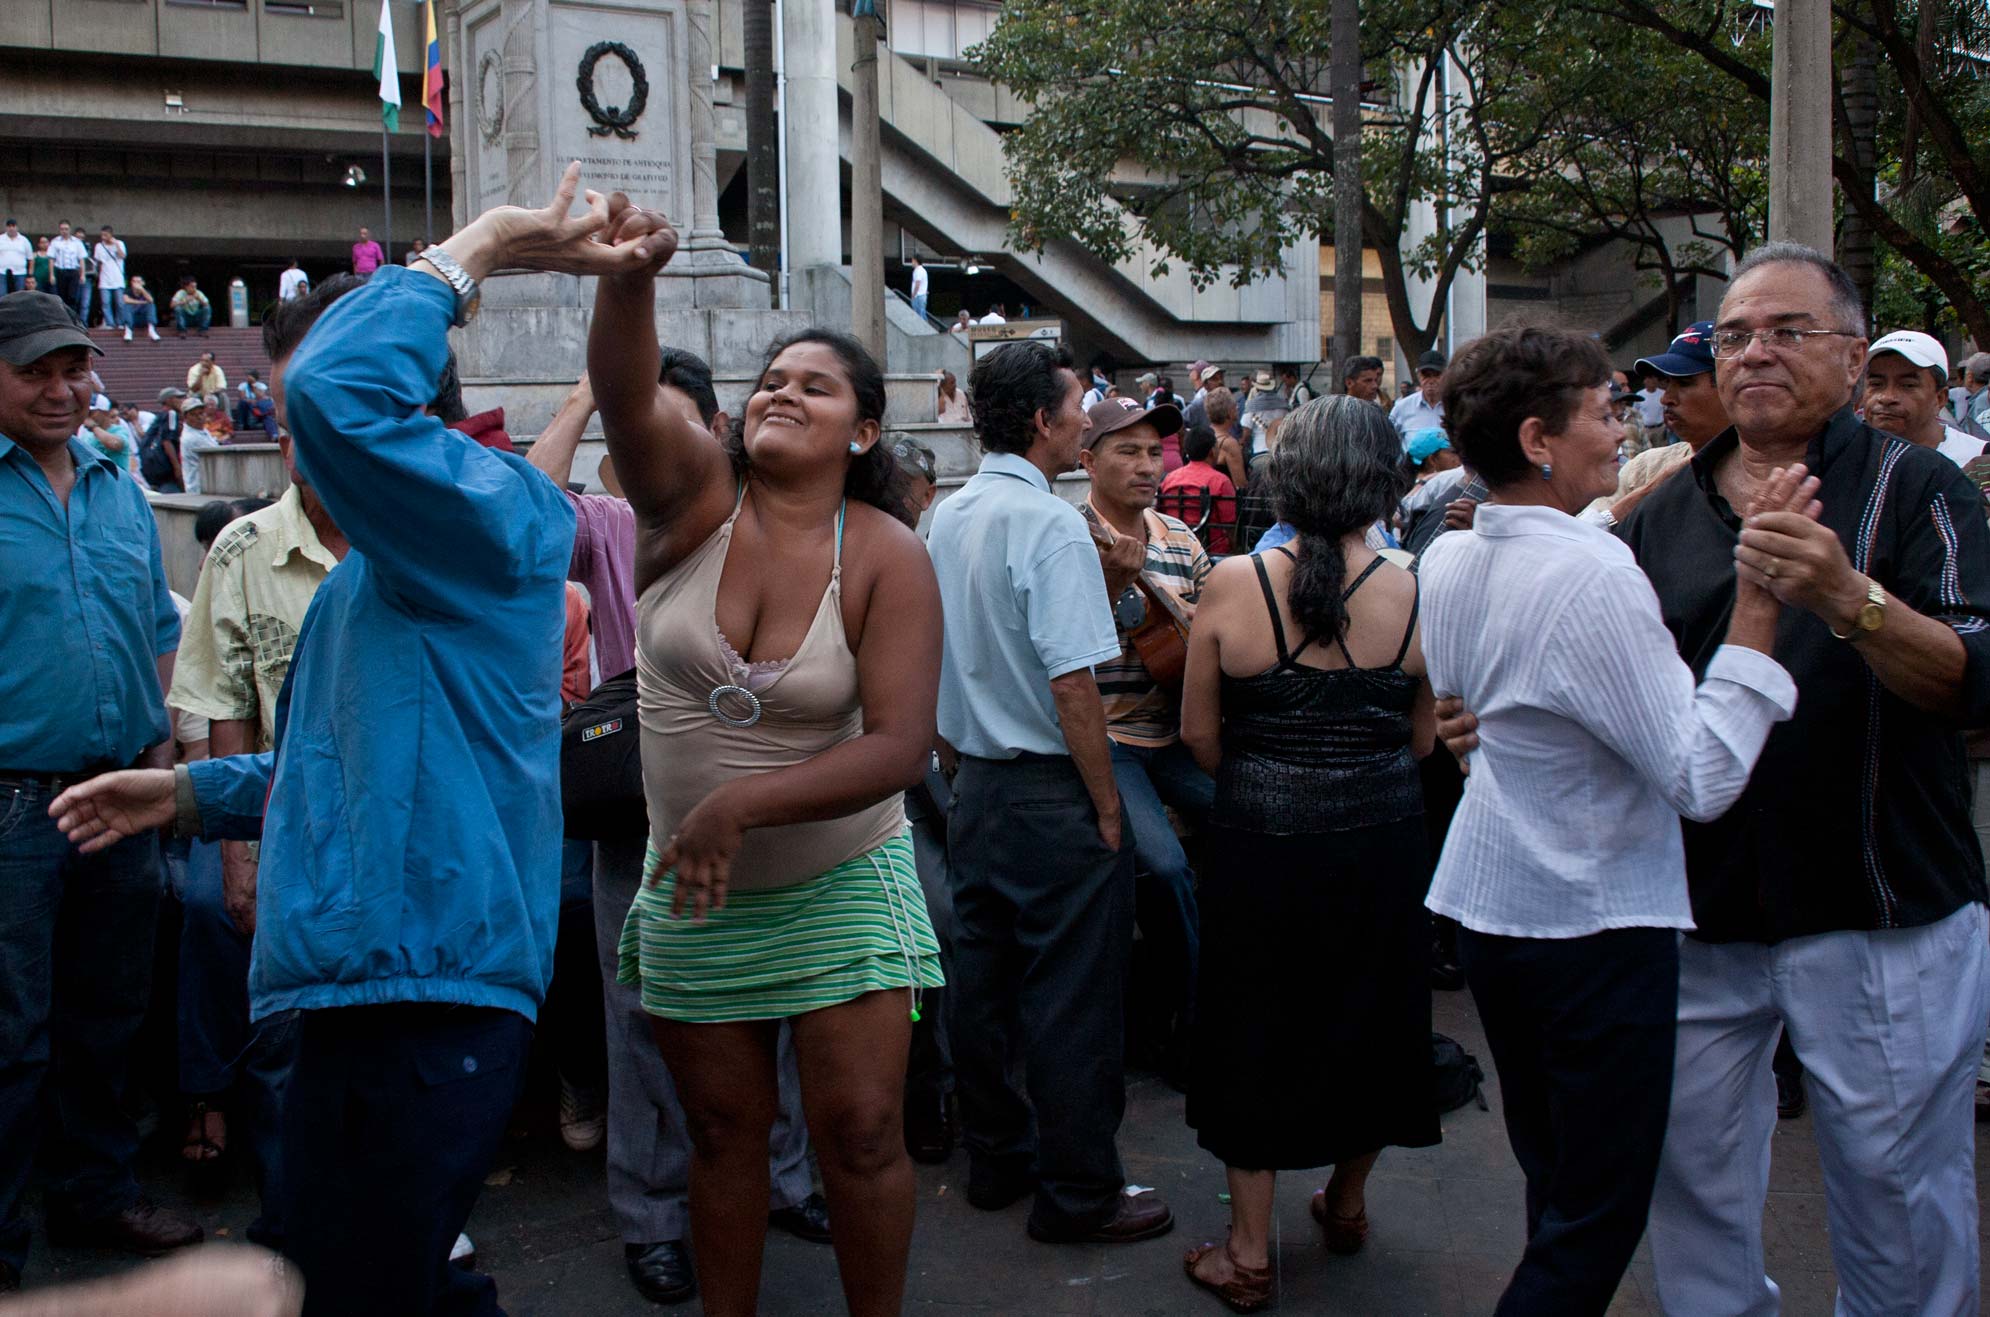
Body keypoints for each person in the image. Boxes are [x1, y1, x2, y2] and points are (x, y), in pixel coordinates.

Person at [46, 163, 640, 1317]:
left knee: (364, 1283)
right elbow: (350, 761)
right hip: (356, 979)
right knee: (362, 1278)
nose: (290, 433)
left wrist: (478, 249)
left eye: (295, 407)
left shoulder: (488, 516)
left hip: (420, 979)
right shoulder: (385, 568)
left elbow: (334, 389)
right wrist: (186, 799)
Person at [1441, 244, 1990, 1316]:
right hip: (1695, 920)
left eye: (1788, 331)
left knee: (1896, 1198)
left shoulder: (1916, 490)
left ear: (1847, 350)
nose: (1755, 354)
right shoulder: (1647, 521)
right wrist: (1491, 716)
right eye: (1734, 335)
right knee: (1693, 1198)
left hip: (1876, 908)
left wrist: (1849, 600)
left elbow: (1976, 673)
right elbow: (1603, 694)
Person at [588, 195, 944, 1317]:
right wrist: (631, 276)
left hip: (841, 878)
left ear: (864, 432)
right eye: (770, 379)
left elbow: (899, 748)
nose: (782, 390)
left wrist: (739, 808)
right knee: (723, 1134)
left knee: (862, 1132)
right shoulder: (694, 501)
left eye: (815, 383)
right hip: (697, 896)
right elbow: (624, 396)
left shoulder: (887, 555)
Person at [1419, 325, 1799, 1313]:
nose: (1621, 428)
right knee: (1594, 1219)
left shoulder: (1452, 560)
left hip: (1499, 915)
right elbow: (1701, 774)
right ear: (1540, 436)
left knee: (1559, 1191)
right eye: (1604, 411)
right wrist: (1758, 605)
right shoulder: (1590, 578)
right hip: (1591, 928)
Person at [529, 365, 837, 1308]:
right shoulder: (614, 523)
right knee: (643, 1012)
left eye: (660, 423)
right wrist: (589, 397)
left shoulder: (774, 521)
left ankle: (783, 1178)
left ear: (712, 431)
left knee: (783, 991)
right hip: (646, 804)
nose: (647, 445)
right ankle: (655, 1215)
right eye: (632, 429)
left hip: (772, 796)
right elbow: (528, 507)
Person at [1178, 394, 1441, 1311]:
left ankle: (1248, 1252)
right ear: (1383, 481)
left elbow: (1201, 740)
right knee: (1371, 1016)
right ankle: (1349, 1202)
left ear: (1287, 476)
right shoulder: (1416, 587)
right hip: (1383, 844)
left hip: (1260, 846)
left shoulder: (1231, 585)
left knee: (1255, 1026)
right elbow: (1420, 743)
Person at [927, 340, 1176, 1247]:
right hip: (1044, 785)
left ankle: (999, 1156)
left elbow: (936, 662)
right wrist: (1107, 806)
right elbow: (1076, 685)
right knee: (1072, 1000)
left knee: (983, 987)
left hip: (978, 785)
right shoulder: (1048, 523)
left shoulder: (948, 516)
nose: (1088, 419)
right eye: (1080, 405)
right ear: (1042, 419)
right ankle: (1078, 1191)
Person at [0, 290, 203, 1293]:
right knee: (10, 1032)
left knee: (108, 1013)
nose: (59, 389)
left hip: (121, 793)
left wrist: (161, 760)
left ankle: (93, 1194)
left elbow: (156, 634)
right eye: (33, 370)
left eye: (71, 369)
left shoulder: (118, 481)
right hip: (11, 804)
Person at [166, 415, 346, 1255]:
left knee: (383, 1045)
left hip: (395, 839)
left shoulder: (412, 529)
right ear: (287, 451)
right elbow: (229, 705)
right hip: (284, 832)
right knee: (284, 1044)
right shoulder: (241, 551)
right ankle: (291, 1230)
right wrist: (240, 856)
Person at [1077, 395, 1213, 1083]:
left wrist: (1189, 611)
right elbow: (1059, 649)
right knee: (1162, 868)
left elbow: (1216, 626)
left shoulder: (1181, 541)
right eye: (1125, 450)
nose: (1145, 464)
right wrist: (1107, 588)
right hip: (1114, 740)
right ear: (1086, 460)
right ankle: (1192, 1027)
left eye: (1153, 450)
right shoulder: (1071, 537)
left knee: (1258, 813)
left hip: (1180, 733)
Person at [1584, 322, 1722, 527]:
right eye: (1667, 383)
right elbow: (1581, 534)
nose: (1666, 399)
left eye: (1684, 383)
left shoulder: (1774, 477)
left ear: (1729, 385)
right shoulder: (1646, 469)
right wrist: (1641, 499)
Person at [1862, 329, 1987, 467]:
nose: (1887, 398)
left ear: (1940, 398)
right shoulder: (1845, 458)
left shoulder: (1978, 461)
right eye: (1876, 384)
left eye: (1907, 385)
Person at [1159, 422, 1240, 554]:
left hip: (1173, 548)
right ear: (1212, 452)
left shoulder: (1169, 479)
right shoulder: (1220, 481)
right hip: (1212, 551)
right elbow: (1230, 525)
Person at [1389, 350, 1445, 446]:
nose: (1431, 381)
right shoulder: (1402, 407)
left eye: (1436, 375)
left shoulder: (1455, 407)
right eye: (1426, 375)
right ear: (1418, 375)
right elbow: (1388, 442)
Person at [1201, 386, 1250, 491]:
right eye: (1234, 405)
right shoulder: (1229, 443)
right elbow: (1240, 485)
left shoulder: (1204, 435)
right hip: (1225, 500)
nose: (1237, 407)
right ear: (1228, 411)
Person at [175, 397, 224, 495]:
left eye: (201, 413)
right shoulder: (191, 437)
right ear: (185, 417)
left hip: (208, 484)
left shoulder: (201, 431)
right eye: (193, 414)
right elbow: (218, 454)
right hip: (199, 488)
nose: (199, 417)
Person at [1240, 369, 1289, 459]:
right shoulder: (1283, 405)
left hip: (1258, 450)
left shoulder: (1252, 406)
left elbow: (1246, 432)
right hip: (1278, 450)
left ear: (1257, 387)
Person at [47, 221, 87, 318]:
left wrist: (83, 274)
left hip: (73, 272)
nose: (64, 231)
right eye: (62, 229)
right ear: (59, 230)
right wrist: (51, 275)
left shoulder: (77, 242)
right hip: (61, 272)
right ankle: (63, 317)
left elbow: (81, 259)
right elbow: (51, 259)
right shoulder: (55, 242)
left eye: (66, 229)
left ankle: (72, 317)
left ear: (70, 229)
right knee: (61, 296)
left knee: (72, 296)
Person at [92, 227, 125, 333]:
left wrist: (115, 244)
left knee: (119, 302)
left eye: (105, 235)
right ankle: (110, 323)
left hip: (118, 278)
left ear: (111, 234)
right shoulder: (99, 246)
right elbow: (97, 261)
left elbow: (123, 256)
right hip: (105, 279)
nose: (103, 237)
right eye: (102, 235)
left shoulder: (119, 243)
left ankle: (120, 323)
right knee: (106, 303)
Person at [123, 274, 158, 341]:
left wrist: (142, 289)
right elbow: (126, 300)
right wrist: (142, 302)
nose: (136, 283)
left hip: (144, 319)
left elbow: (151, 300)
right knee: (127, 306)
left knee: (151, 305)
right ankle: (128, 331)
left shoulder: (146, 291)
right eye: (134, 281)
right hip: (132, 319)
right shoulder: (128, 291)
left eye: (138, 281)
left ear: (143, 283)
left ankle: (151, 330)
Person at [0, 220, 28, 295]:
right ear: (6, 228)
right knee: (2, 295)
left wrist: (30, 273)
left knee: (19, 296)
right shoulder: (1, 239)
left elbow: (30, 258)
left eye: (13, 226)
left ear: (17, 227)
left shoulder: (24, 240)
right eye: (9, 226)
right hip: (2, 272)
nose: (11, 228)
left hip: (20, 273)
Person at [908, 253, 928, 322]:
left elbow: (917, 283)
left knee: (919, 316)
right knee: (921, 314)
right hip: (921, 295)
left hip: (918, 296)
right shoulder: (922, 270)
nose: (912, 262)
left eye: (912, 261)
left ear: (915, 260)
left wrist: (913, 295)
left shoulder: (918, 271)